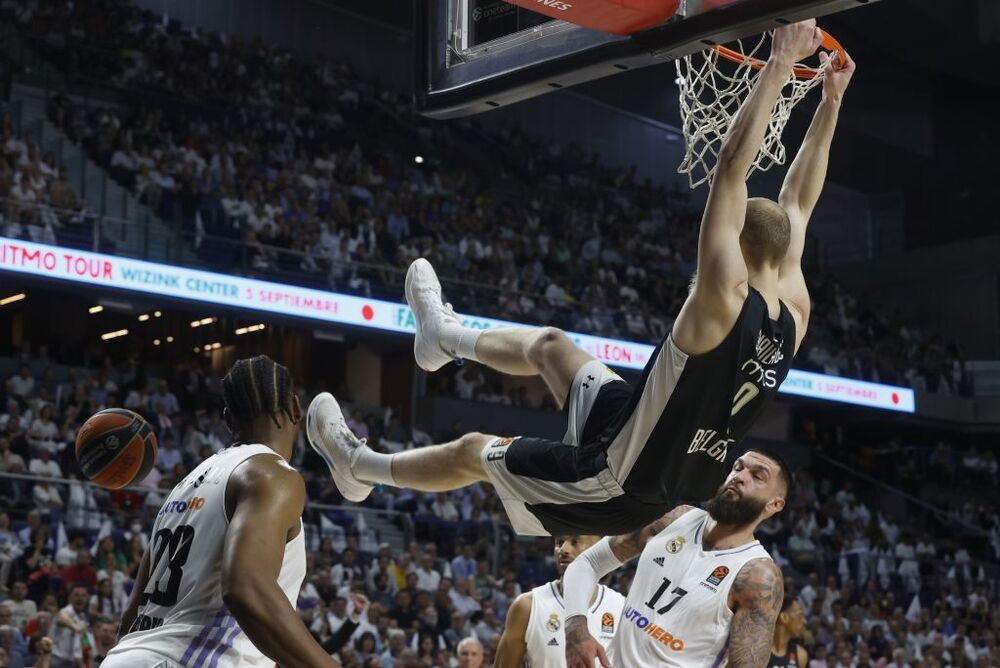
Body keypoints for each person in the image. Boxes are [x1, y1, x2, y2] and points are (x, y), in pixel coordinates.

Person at [304, 19, 855, 538]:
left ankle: (359, 467)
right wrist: (830, 102)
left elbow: (733, 164)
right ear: (782, 254)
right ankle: (442, 338)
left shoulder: (721, 297)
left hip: (621, 482)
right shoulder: (795, 314)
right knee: (550, 346)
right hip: (638, 427)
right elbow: (800, 202)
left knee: (477, 450)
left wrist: (781, 61)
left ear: (736, 244)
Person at [104, 355, 340, 667]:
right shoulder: (273, 475)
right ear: (296, 409)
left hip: (128, 655)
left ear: (228, 419)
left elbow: (132, 614)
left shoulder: (183, 487)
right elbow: (246, 589)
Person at [561, 450, 790, 667]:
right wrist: (576, 626)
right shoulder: (672, 519)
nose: (740, 477)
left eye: (757, 476)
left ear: (775, 504)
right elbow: (588, 563)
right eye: (737, 467)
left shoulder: (758, 574)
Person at [495, 535, 625, 667]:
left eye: (575, 542)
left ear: (599, 548)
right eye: (559, 542)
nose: (563, 549)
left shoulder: (621, 607)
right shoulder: (528, 606)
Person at [768, 595, 809, 667]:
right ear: (784, 617)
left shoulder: (801, 655)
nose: (804, 621)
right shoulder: (756, 651)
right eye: (800, 615)